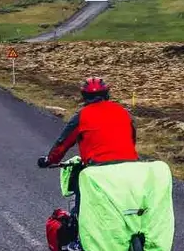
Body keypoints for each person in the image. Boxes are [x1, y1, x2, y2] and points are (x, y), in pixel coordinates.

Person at [37, 77, 139, 215]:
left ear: (84, 96)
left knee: (82, 203)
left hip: (97, 170)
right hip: (130, 168)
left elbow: (63, 143)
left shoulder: (81, 116)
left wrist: (49, 160)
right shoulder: (123, 112)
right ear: (107, 94)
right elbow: (132, 139)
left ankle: (79, 224)